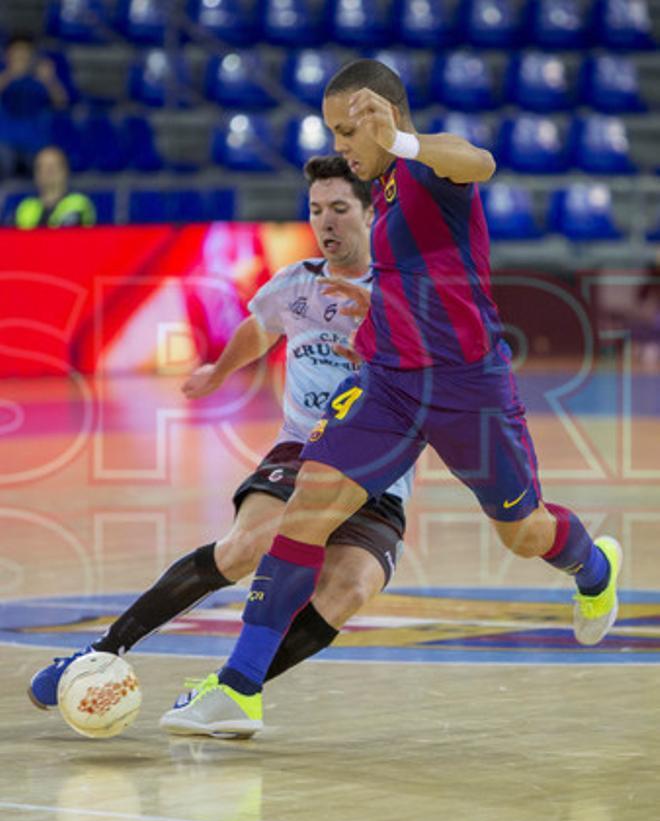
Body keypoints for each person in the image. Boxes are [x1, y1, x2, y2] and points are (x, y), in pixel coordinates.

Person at [160, 58, 623, 738]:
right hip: (390, 383)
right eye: (336, 132)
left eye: (349, 129)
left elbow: (483, 161)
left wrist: (402, 142)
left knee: (523, 533)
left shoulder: (426, 169)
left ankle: (593, 564)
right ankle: (238, 687)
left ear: (382, 113)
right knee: (307, 508)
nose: (342, 145)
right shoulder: (381, 190)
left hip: (469, 388)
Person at [28, 155, 413, 734]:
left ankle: (230, 689)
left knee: (350, 588)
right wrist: (218, 371)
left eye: (339, 209)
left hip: (381, 472)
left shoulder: (403, 296)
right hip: (304, 450)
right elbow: (260, 326)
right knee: (247, 545)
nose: (326, 222)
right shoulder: (297, 283)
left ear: (370, 212)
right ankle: (100, 651)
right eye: (315, 211)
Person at [0, 36, 68, 176]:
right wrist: (10, 75)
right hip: (5, 142)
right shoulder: (4, 77)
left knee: (47, 163)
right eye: (16, 53)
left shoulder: (41, 78)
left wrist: (49, 80)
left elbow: (62, 103)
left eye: (25, 52)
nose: (21, 57)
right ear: (7, 55)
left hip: (35, 143)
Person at [12, 145, 95, 229]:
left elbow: (68, 237)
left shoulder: (78, 202)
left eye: (53, 166)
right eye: (42, 167)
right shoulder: (26, 207)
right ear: (35, 173)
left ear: (65, 171)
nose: (48, 172)